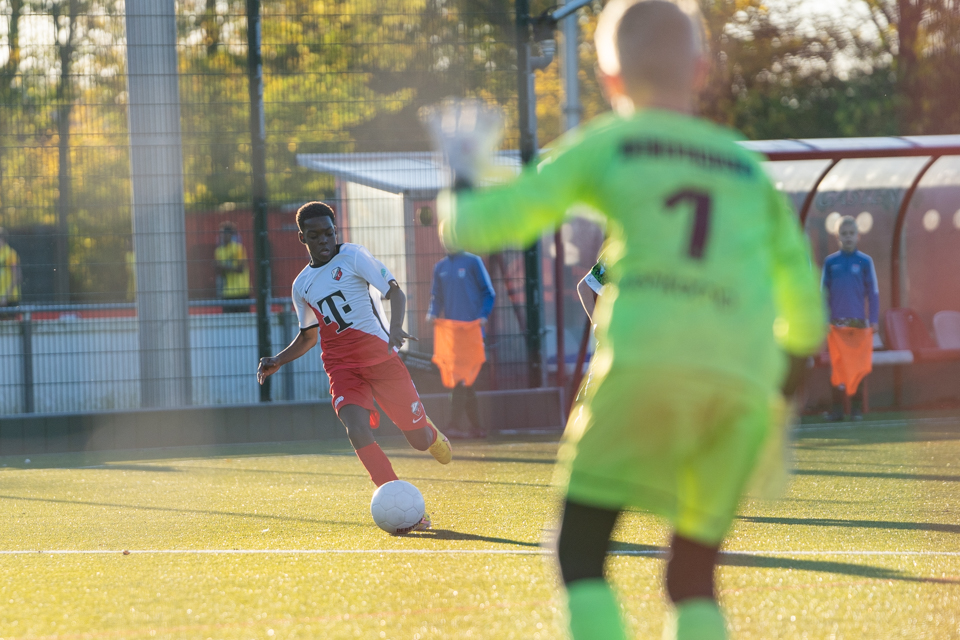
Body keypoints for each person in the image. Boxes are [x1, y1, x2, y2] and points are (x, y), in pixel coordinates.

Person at [425, 1, 826, 637]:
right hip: (742, 383)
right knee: (692, 576)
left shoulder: (609, 145)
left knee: (580, 553)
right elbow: (803, 298)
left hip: (646, 366)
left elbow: (482, 226)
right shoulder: (747, 169)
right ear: (700, 70)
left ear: (610, 80)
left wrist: (464, 177)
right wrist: (784, 384)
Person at [257, 202, 453, 531]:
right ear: (302, 237)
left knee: (417, 440)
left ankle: (430, 433)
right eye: (315, 235)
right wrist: (278, 359)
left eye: (329, 233)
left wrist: (395, 328)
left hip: (381, 360)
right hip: (342, 368)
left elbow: (394, 291)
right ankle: (404, 505)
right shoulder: (301, 286)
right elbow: (308, 336)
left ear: (336, 232)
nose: (324, 240)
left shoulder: (354, 256)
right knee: (356, 428)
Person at [426, 251, 496, 438]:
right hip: (452, 336)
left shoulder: (474, 262)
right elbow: (436, 296)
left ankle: (458, 425)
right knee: (460, 381)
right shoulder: (440, 267)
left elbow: (488, 293)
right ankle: (472, 426)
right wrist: (433, 313)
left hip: (472, 333)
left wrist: (483, 315)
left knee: (465, 380)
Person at [821, 215, 879, 421]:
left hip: (858, 324)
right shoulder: (831, 262)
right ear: (837, 237)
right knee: (836, 368)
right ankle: (837, 410)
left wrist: (873, 319)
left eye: (851, 233)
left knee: (856, 367)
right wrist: (824, 320)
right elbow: (823, 294)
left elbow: (873, 292)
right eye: (843, 234)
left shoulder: (865, 261)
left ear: (858, 236)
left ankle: (856, 410)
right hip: (836, 326)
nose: (848, 237)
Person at [214, 221, 250, 313]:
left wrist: (223, 266)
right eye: (220, 233)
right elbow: (219, 271)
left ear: (230, 234)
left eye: (224, 233)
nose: (222, 236)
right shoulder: (219, 251)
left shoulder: (239, 248)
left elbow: (240, 268)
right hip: (227, 293)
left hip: (242, 291)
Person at [0, 227, 22, 319]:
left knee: (10, 328)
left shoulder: (10, 254)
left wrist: (6, 295)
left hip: (10, 298)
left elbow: (17, 276)